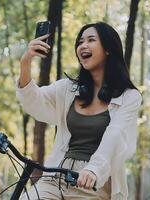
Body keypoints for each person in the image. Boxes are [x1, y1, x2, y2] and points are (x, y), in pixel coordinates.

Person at [16, 22, 142, 200]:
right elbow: (34, 101)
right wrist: (25, 62)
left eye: (91, 40)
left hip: (93, 182)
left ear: (108, 49)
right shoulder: (68, 89)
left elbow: (115, 135)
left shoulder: (129, 97)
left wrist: (93, 169)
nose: (83, 45)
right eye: (80, 42)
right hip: (56, 176)